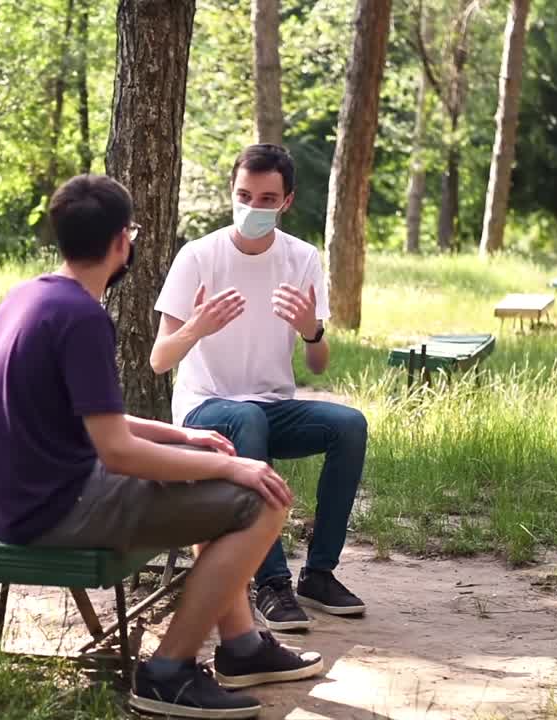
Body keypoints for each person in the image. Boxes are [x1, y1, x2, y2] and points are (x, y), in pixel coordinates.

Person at [0, 174, 323, 719]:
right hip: (52, 507)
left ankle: (243, 647)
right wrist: (235, 472)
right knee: (263, 501)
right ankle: (167, 672)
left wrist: (184, 436)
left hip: (19, 496)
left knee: (214, 471)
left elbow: (95, 420)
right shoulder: (83, 317)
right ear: (120, 242)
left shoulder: (31, 295)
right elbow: (118, 454)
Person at [151, 144, 369, 633]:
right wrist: (197, 328)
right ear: (231, 194)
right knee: (246, 419)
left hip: (272, 406)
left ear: (287, 202)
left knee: (349, 425)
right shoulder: (199, 256)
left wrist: (313, 330)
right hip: (206, 408)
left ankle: (320, 573)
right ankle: (271, 583)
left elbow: (317, 362)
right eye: (244, 195)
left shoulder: (301, 258)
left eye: (267, 198)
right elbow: (159, 358)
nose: (253, 207)